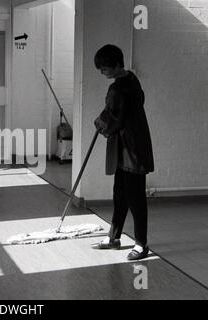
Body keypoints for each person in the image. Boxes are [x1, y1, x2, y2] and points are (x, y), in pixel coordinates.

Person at [91, 44, 154, 261]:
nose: (102, 72)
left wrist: (98, 123)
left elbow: (111, 119)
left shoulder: (118, 89)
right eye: (100, 69)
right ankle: (114, 237)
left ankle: (141, 244)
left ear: (118, 64)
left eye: (105, 68)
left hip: (132, 150)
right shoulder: (131, 80)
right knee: (120, 194)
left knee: (135, 198)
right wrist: (105, 119)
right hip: (127, 146)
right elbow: (116, 111)